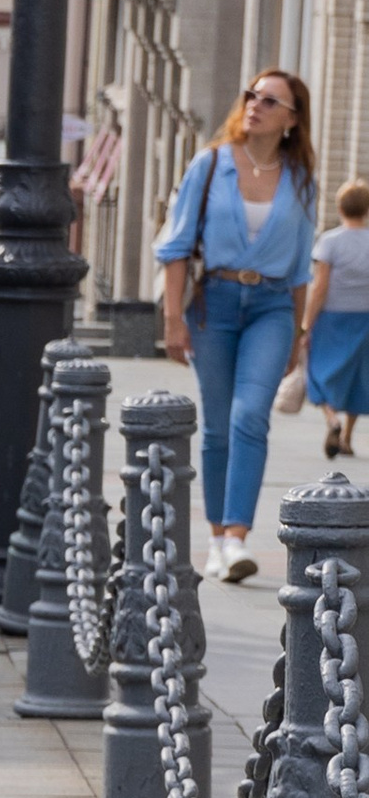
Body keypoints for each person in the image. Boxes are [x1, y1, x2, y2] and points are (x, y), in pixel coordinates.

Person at [157, 68, 319, 580]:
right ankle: (214, 538)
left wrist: (297, 333)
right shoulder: (210, 165)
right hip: (216, 304)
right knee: (218, 424)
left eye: (271, 101)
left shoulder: (301, 180)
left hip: (272, 307)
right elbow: (177, 247)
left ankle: (236, 538)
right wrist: (172, 319)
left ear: (292, 120)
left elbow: (299, 270)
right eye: (251, 95)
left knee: (252, 415)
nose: (255, 105)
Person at [305, 173, 369, 459]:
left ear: (340, 208)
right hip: (364, 318)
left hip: (331, 317)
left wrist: (306, 322)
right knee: (358, 376)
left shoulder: (329, 242)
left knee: (318, 370)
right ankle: (347, 437)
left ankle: (332, 420)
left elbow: (320, 287)